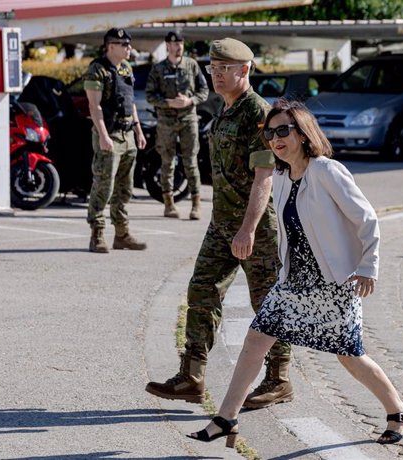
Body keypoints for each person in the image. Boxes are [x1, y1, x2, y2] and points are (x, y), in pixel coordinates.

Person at [187, 99, 403, 447]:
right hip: (293, 281)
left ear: (303, 132)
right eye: (270, 133)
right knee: (255, 339)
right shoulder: (281, 176)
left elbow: (366, 218)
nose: (276, 139)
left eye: (283, 130)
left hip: (335, 282)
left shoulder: (326, 171)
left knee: (349, 355)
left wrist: (369, 266)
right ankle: (226, 417)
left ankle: (398, 410)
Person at [145, 38, 295, 409]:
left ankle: (278, 380)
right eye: (212, 68)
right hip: (222, 224)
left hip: (254, 227)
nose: (216, 75)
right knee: (201, 291)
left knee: (268, 302)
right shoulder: (224, 110)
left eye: (224, 69)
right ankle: (192, 376)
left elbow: (264, 178)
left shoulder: (258, 114)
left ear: (244, 70)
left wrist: (247, 229)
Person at [84, 28, 147, 253]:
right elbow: (94, 106)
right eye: (124, 45)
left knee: (125, 188)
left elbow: (130, 103)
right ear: (111, 46)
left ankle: (121, 235)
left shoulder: (126, 68)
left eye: (128, 44)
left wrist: (138, 130)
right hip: (109, 134)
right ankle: (97, 235)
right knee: (104, 186)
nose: (129, 48)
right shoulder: (97, 70)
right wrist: (102, 135)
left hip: (128, 134)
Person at [145, 31, 209, 220]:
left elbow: (204, 90)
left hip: (188, 119)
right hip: (166, 121)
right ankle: (169, 204)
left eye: (180, 42)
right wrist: (167, 103)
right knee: (167, 161)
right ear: (167, 46)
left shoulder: (191, 65)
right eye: (174, 43)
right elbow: (149, 95)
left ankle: (196, 204)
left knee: (190, 161)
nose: (178, 46)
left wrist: (190, 101)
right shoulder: (158, 69)